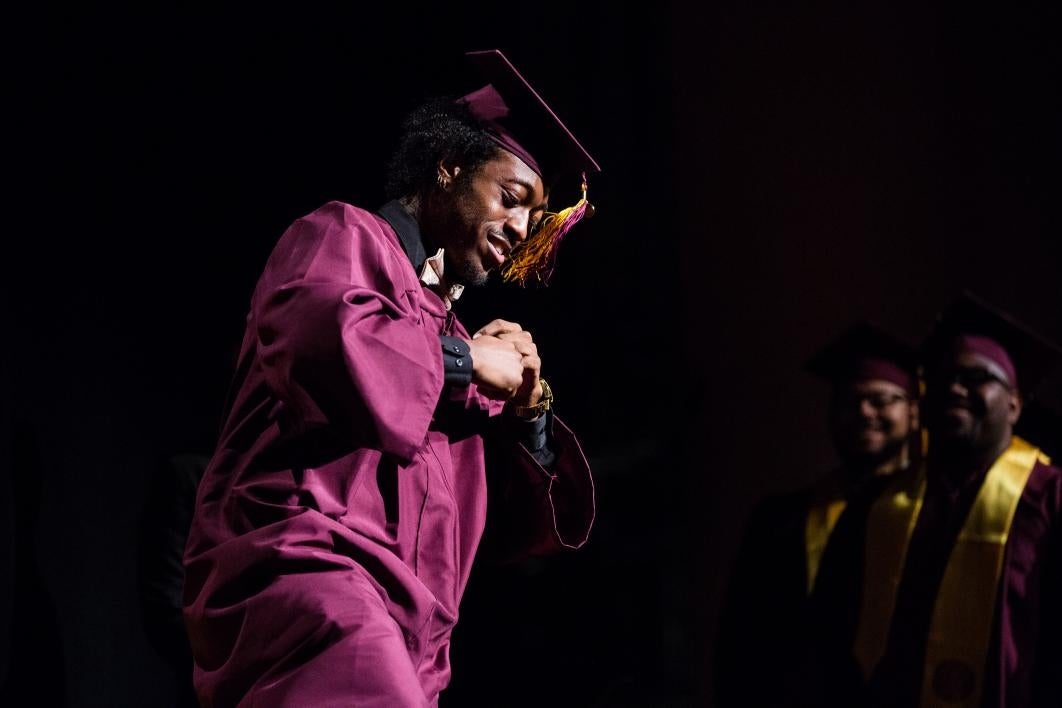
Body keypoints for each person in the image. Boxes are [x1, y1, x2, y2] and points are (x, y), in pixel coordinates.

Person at [182, 49, 599, 707]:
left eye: (533, 216)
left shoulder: (455, 335)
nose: (521, 230)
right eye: (511, 199)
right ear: (450, 168)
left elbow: (515, 527)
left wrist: (529, 409)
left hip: (413, 634)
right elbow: (328, 341)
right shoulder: (343, 237)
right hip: (311, 578)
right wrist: (466, 365)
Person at [812, 292, 1062, 708]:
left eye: (976, 378)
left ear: (1014, 403)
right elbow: (831, 634)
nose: (954, 388)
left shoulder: (1050, 499)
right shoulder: (877, 506)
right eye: (940, 378)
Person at [715, 321, 920, 708]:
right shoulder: (779, 519)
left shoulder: (932, 517)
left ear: (913, 412)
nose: (863, 412)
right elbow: (739, 640)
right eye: (848, 401)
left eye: (881, 399)